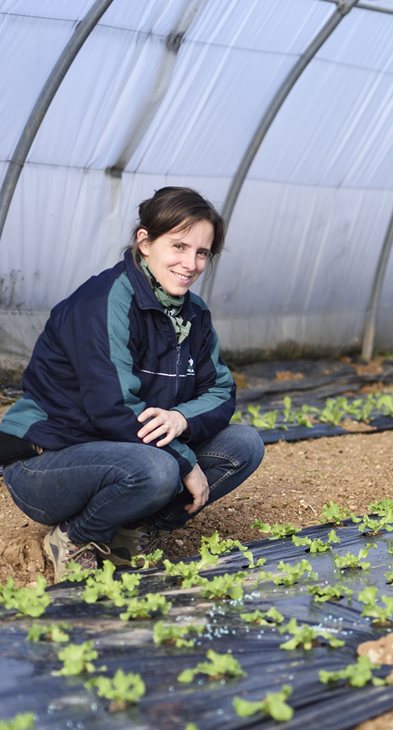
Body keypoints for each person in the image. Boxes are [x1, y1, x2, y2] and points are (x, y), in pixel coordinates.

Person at [1, 187, 264, 580]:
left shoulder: (194, 314)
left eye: (202, 252)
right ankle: (75, 538)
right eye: (178, 246)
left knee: (244, 444)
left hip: (127, 451)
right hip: (46, 463)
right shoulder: (105, 302)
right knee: (158, 469)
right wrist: (185, 460)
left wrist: (180, 419)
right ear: (145, 242)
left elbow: (221, 391)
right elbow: (113, 408)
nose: (190, 263)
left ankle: (130, 534)